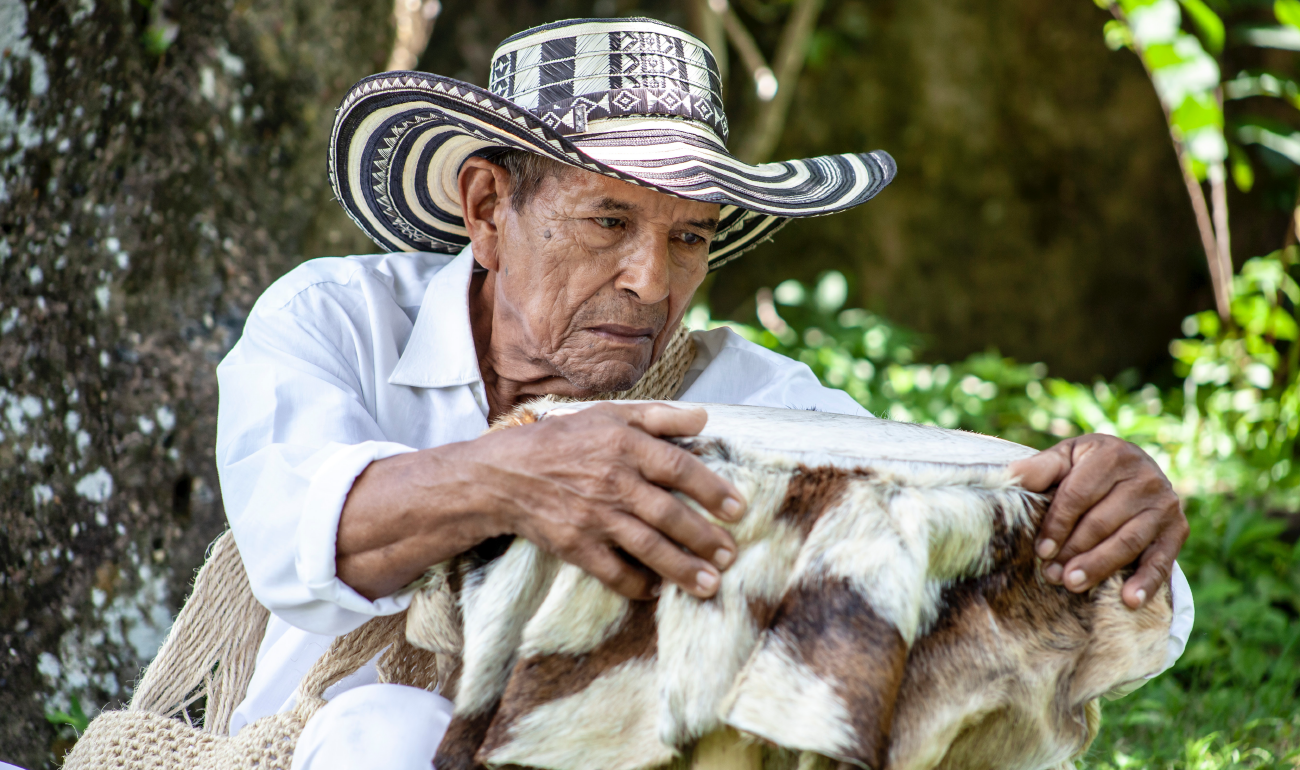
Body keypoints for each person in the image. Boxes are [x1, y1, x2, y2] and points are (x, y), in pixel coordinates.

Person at [215, 16, 1193, 770]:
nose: (652, 278)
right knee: (389, 731)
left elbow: (943, 517)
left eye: (689, 234)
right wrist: (518, 473)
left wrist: (1107, 514)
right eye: (608, 219)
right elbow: (298, 539)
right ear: (485, 208)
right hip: (328, 740)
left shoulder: (748, 394)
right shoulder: (334, 316)